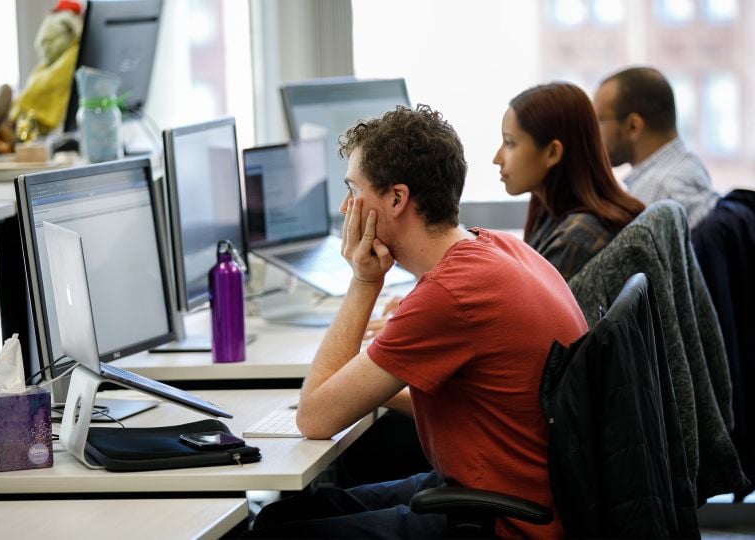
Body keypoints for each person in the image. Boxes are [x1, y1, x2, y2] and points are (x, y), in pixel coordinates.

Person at [246, 105, 588, 539]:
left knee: (273, 534)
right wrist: (373, 386)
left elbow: (314, 418)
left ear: (396, 199)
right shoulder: (495, 247)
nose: (344, 206)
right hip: (514, 492)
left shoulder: (450, 294)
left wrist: (364, 281)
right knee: (282, 516)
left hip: (506, 521)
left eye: (354, 189)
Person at [493, 82, 646, 281]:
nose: (497, 158)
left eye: (510, 143)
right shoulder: (550, 214)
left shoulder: (576, 239)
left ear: (552, 153)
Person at [593, 66, 719, 228]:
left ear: (633, 126)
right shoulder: (689, 165)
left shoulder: (657, 191)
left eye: (600, 121)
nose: (594, 132)